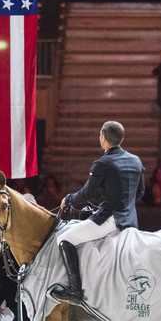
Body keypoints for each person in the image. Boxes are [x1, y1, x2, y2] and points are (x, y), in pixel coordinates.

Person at [55, 121, 145, 304]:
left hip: (110, 219)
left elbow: (86, 194)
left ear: (103, 138)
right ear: (121, 138)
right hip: (131, 219)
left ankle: (75, 291)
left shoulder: (102, 163)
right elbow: (141, 192)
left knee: (64, 238)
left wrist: (68, 199)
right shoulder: (136, 160)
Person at [0, 196, 47, 321]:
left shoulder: (10, 236)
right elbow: (1, 269)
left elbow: (0, 271)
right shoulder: (41, 236)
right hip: (24, 299)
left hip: (27, 299)